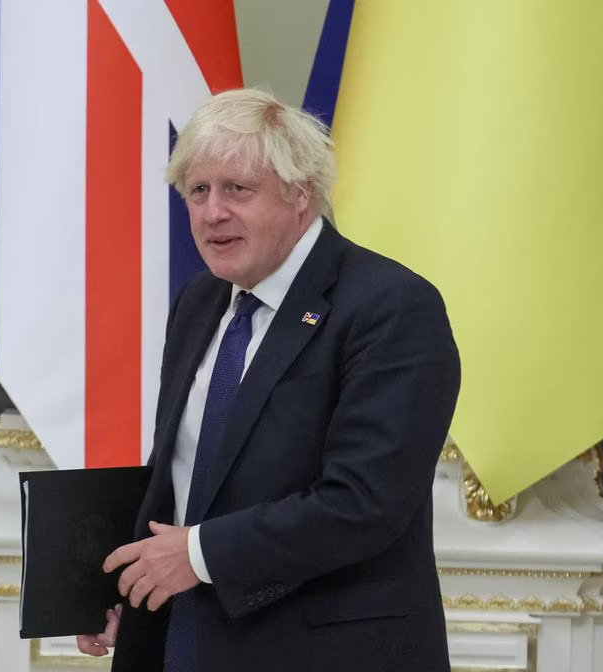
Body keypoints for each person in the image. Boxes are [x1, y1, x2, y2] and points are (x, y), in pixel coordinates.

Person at [76, 88, 461, 672]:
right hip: (185, 634)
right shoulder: (200, 301)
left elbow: (365, 502)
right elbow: (179, 474)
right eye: (198, 191)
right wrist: (126, 586)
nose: (211, 213)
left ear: (301, 194)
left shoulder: (391, 306)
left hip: (322, 648)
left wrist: (197, 555)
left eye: (238, 189)